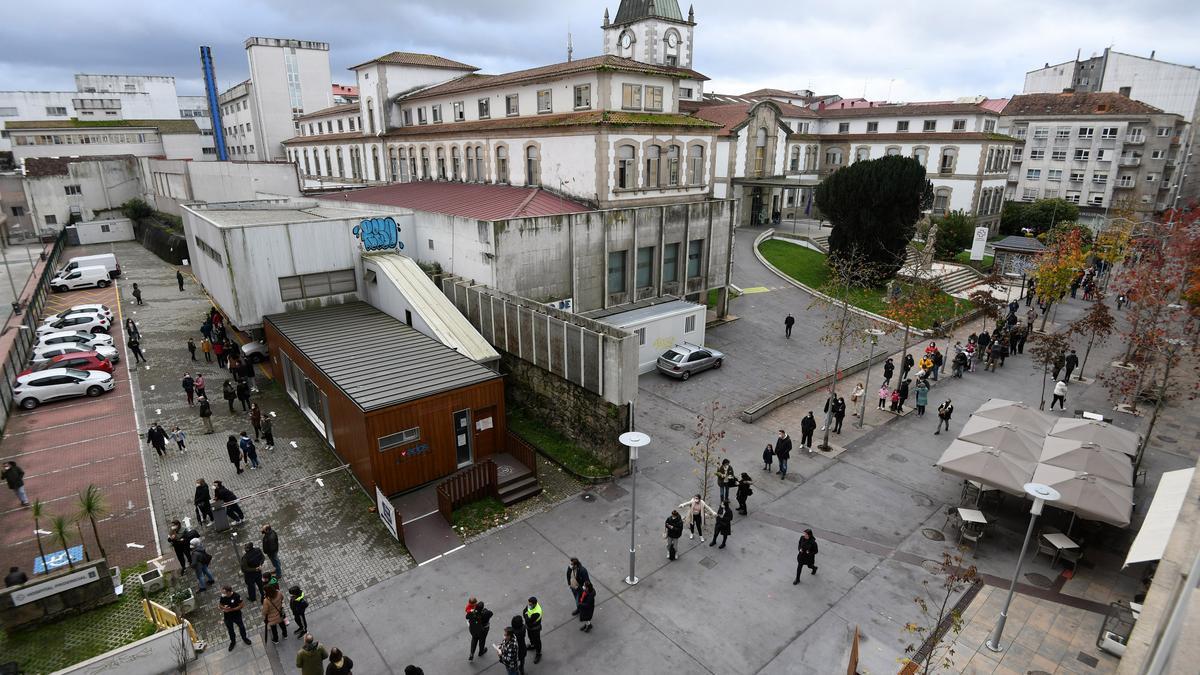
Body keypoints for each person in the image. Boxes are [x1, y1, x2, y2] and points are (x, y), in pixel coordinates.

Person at [219, 585, 253, 651]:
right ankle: (233, 642)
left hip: (236, 615)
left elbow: (242, 605)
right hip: (227, 617)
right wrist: (224, 608)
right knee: (230, 630)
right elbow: (220, 605)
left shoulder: (236, 596)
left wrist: (231, 609)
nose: (222, 594)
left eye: (224, 592)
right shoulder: (223, 597)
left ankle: (244, 638)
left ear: (228, 592)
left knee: (241, 627)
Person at [523, 597, 543, 663]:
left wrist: (526, 614)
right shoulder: (530, 605)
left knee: (537, 641)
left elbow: (528, 620)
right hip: (529, 628)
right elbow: (524, 611)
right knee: (530, 637)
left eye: (530, 604)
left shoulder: (537, 612)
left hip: (535, 629)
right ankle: (532, 645)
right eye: (528, 603)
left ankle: (538, 653)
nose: (529, 605)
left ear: (534, 604)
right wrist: (526, 614)